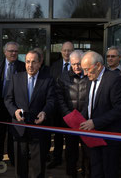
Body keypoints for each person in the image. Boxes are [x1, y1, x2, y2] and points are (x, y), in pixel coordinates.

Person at [4, 50, 55, 178]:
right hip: (19, 127)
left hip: (39, 127)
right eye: (27, 62)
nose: (30, 65)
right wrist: (14, 111)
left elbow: (51, 100)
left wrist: (44, 112)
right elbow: (8, 99)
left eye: (33, 62)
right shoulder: (16, 78)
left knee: (38, 166)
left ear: (40, 63)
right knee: (20, 165)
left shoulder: (48, 80)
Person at [80, 51, 121, 178]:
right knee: (96, 170)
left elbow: (119, 109)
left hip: (109, 138)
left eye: (87, 69)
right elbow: (89, 104)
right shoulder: (90, 79)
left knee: (109, 171)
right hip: (93, 136)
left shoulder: (114, 79)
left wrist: (95, 122)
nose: (85, 74)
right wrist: (79, 119)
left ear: (98, 65)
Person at [0, 41, 25, 166]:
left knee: (13, 133)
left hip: (15, 106)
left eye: (16, 51)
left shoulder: (22, 66)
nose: (14, 53)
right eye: (11, 51)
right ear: (5, 52)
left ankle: (13, 158)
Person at [56, 50, 87, 177]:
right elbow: (60, 99)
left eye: (79, 64)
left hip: (86, 121)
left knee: (87, 152)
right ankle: (71, 173)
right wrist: (69, 115)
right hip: (70, 121)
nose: (76, 67)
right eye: (73, 64)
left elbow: (93, 97)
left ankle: (86, 172)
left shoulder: (90, 75)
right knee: (70, 151)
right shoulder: (62, 77)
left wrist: (84, 116)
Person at [48, 41, 74, 169]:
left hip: (72, 109)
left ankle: (70, 163)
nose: (67, 53)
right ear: (61, 51)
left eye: (69, 50)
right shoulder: (54, 66)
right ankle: (57, 158)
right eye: (64, 50)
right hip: (57, 108)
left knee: (70, 138)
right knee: (57, 136)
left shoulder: (77, 65)